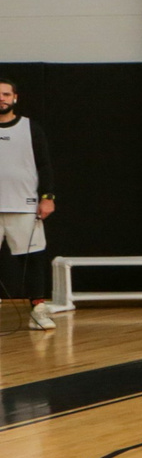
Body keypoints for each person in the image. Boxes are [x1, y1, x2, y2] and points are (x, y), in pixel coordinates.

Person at [0, 79, 59, 329]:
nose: (1, 98)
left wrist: (48, 197)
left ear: (15, 97)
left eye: (5, 94)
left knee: (33, 259)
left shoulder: (29, 128)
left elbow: (44, 164)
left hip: (23, 206)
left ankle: (38, 310)